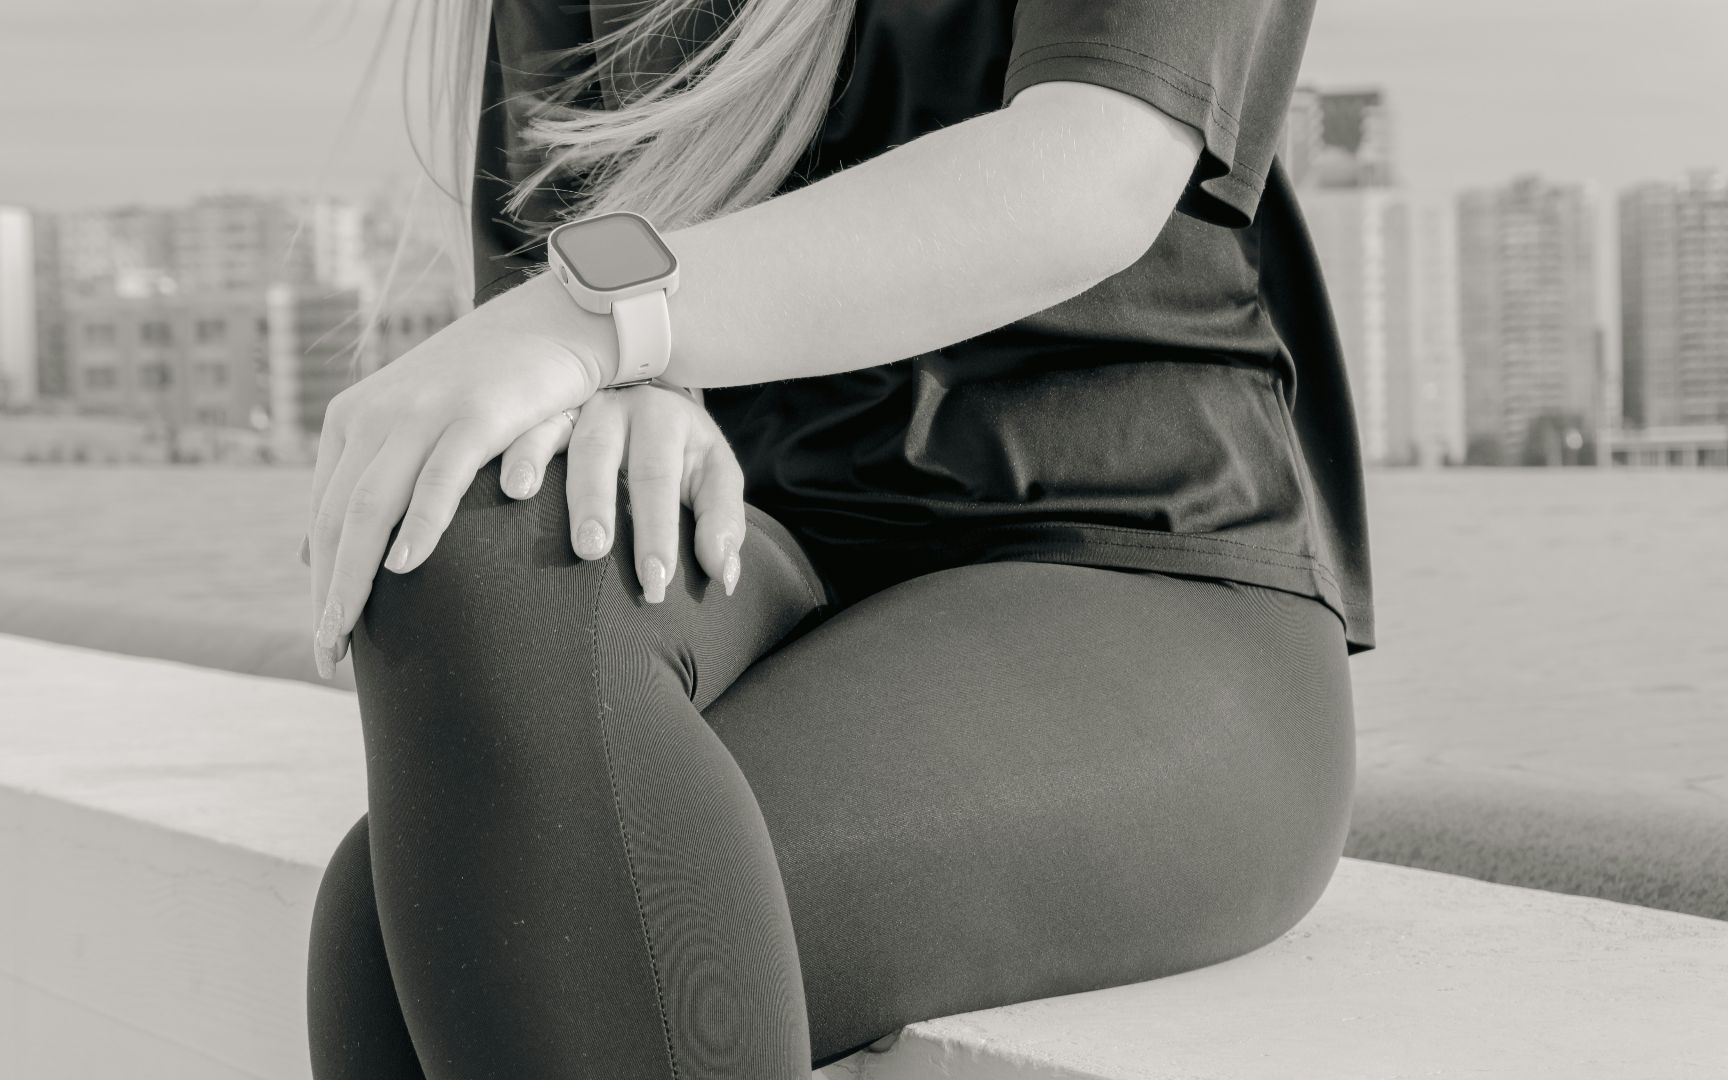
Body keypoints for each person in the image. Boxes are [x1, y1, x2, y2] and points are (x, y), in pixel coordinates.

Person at [303, 0, 1374, 1076]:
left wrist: (597, 319)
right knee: (482, 543)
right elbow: (563, 293)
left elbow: (1093, 169)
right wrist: (639, 386)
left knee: (422, 936)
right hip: (770, 580)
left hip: (1142, 588)